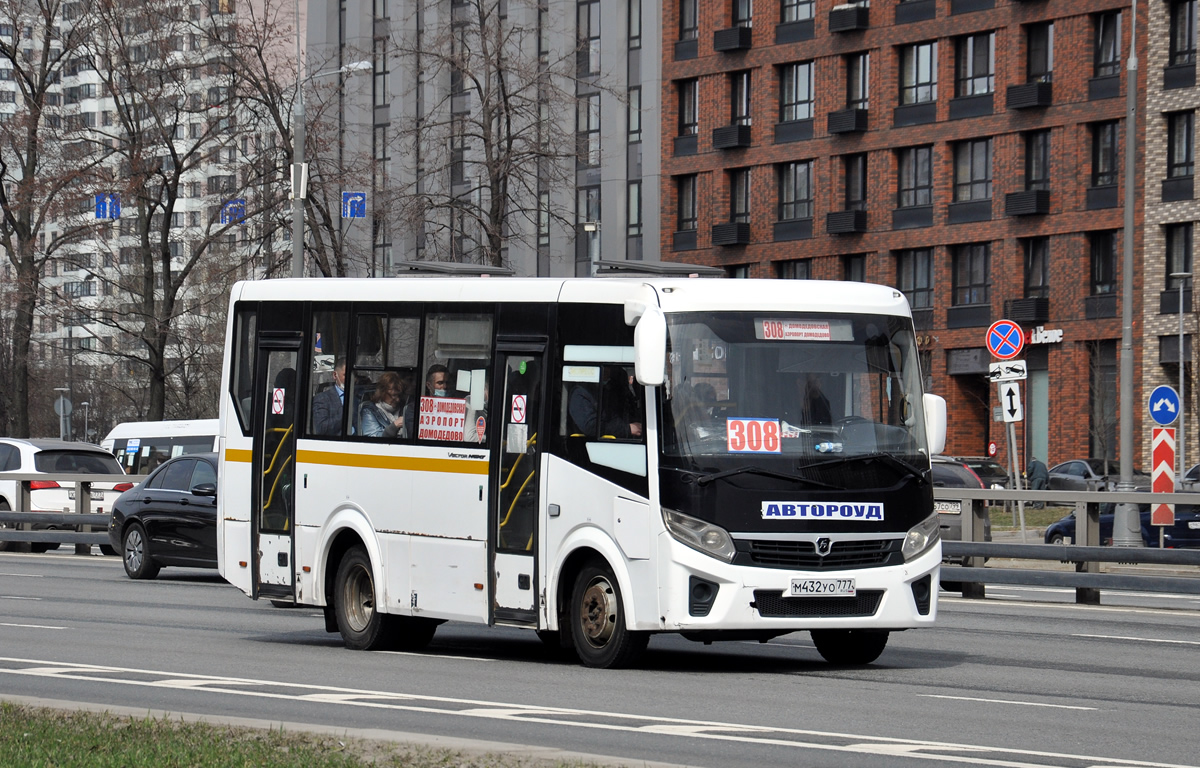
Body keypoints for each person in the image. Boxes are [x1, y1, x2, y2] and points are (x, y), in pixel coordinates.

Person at [569, 365, 642, 439]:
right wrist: (627, 429)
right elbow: (591, 427)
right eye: (604, 366)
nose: (607, 370)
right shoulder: (581, 393)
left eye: (609, 366)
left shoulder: (612, 389)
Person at [359, 371, 407, 438]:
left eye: (399, 395)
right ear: (383, 393)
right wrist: (394, 426)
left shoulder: (404, 408)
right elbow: (373, 438)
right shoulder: (370, 411)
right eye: (394, 395)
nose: (397, 399)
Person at [311, 357, 347, 436]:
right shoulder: (323, 399)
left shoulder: (360, 397)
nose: (351, 379)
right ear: (335, 375)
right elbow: (321, 428)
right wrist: (347, 413)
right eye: (345, 375)